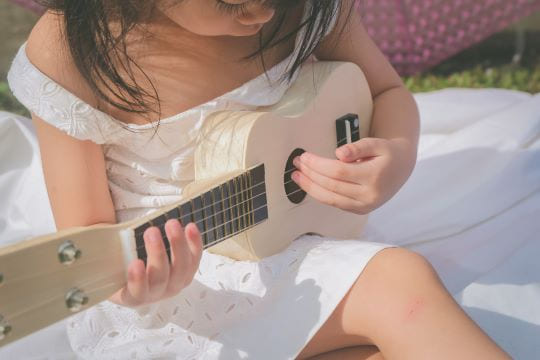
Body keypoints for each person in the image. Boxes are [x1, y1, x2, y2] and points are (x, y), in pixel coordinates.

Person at [7, 0, 510, 358]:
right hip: (181, 286)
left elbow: (386, 91)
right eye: (232, 3)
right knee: (402, 285)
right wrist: (133, 286)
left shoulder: (309, 7)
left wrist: (397, 155)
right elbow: (90, 244)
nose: (262, 13)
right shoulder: (70, 49)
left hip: (301, 236)